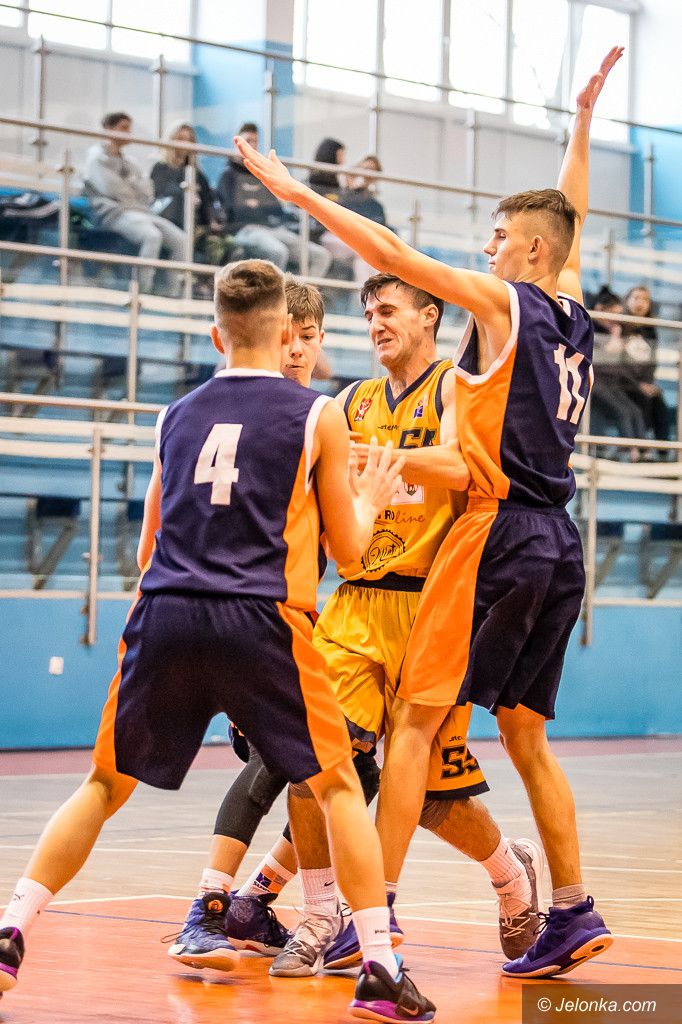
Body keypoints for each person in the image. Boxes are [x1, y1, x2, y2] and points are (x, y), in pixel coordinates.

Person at [235, 46, 624, 980]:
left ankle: (372, 924)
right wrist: (579, 125)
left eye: (499, 236)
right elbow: (569, 216)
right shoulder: (572, 309)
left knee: (412, 730)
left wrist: (300, 195)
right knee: (524, 737)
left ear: (529, 253)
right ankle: (571, 907)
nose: (487, 249)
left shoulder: (506, 304)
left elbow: (394, 256)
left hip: (496, 532)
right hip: (561, 541)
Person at [0, 260, 436, 1023]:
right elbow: (349, 552)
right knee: (338, 785)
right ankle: (380, 969)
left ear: (215, 335)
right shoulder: (317, 414)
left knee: (102, 785)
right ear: (285, 332)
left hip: (166, 612)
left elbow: (146, 549)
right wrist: (367, 499)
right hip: (260, 617)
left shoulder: (174, 416)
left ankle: (11, 931)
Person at [169, 274, 545, 981]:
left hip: (434, 604)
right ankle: (321, 914)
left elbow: (465, 465)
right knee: (315, 759)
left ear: (430, 315)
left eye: (389, 310)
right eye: (368, 313)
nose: (376, 323)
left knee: (431, 796)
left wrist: (377, 459)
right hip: (355, 602)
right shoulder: (348, 403)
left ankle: (508, 872)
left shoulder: (455, 387)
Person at [83, 111, 187, 296]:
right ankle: (143, 291)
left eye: (129, 128)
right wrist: (133, 186)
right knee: (152, 236)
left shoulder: (130, 162)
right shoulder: (96, 157)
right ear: (108, 129)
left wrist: (131, 187)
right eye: (123, 128)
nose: (128, 133)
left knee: (182, 240)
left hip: (142, 212)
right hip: (114, 213)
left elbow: (147, 192)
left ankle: (174, 293)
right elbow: (110, 189)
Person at [216, 124, 332, 279]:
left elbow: (276, 209)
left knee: (321, 256)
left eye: (255, 141)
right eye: (248, 140)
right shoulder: (228, 176)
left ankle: (303, 294)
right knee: (278, 251)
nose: (252, 145)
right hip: (246, 229)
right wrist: (257, 207)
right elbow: (232, 209)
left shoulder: (261, 175)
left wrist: (255, 206)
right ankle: (273, 295)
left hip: (273, 229)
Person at [150, 122, 229, 267]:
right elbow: (160, 193)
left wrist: (213, 220)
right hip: (171, 222)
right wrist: (185, 193)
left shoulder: (198, 174)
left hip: (197, 226)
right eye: (181, 139)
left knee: (225, 245)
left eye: (189, 140)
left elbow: (208, 202)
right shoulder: (161, 168)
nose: (185, 144)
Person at [320, 156, 388, 282]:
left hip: (359, 243)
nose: (366, 174)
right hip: (334, 237)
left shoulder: (375, 205)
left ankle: (367, 293)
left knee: (365, 257)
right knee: (364, 253)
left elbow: (379, 230)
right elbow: (335, 215)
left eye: (371, 171)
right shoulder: (340, 192)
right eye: (364, 168)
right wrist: (351, 189)